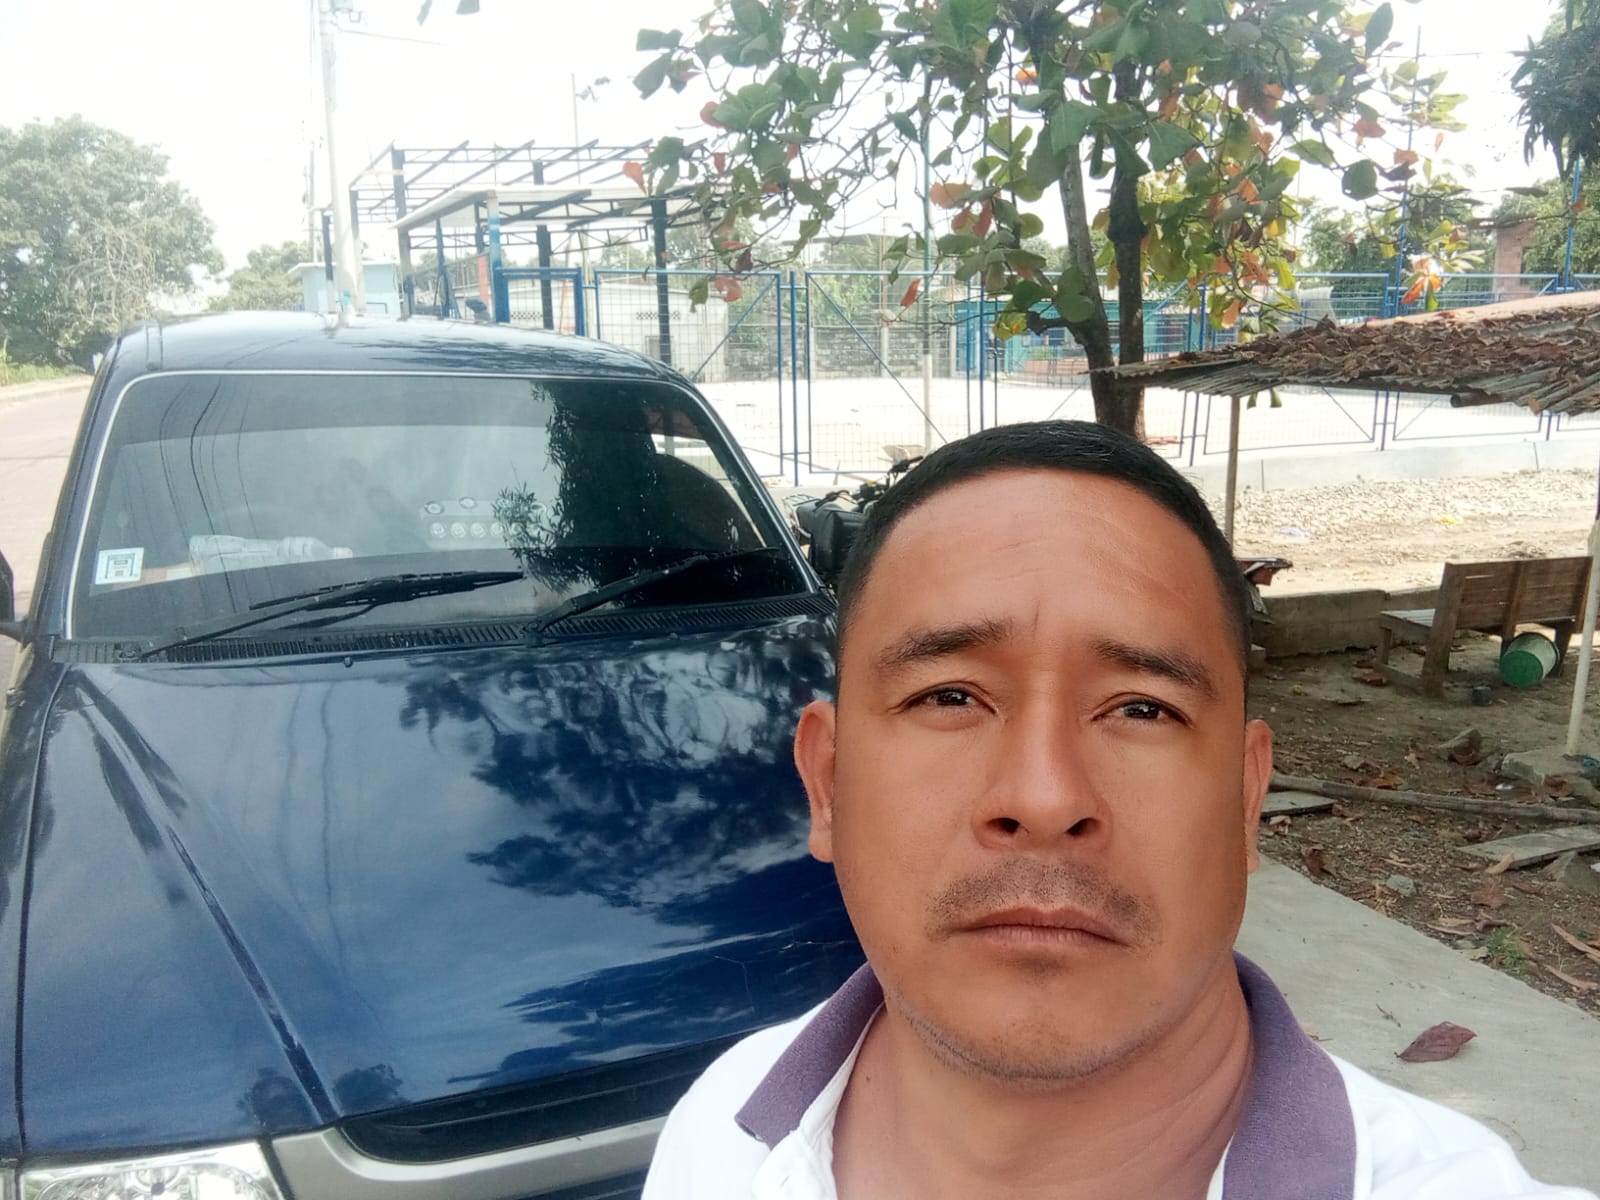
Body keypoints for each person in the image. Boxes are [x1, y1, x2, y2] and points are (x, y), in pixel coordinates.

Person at [642, 420, 1595, 1200]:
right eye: (949, 696)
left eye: (1143, 709)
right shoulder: (721, 1133)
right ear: (828, 784)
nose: (1043, 799)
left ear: (1247, 797)